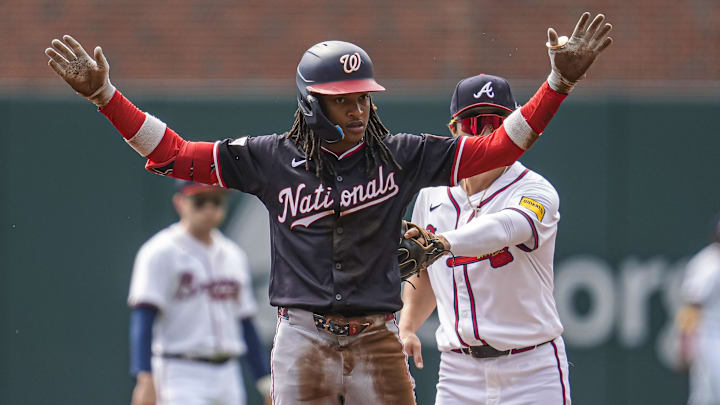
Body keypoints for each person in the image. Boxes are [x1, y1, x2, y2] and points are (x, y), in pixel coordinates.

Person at [45, 12, 612, 404]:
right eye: (345, 100)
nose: (360, 106)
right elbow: (174, 156)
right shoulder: (268, 158)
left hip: (377, 333)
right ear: (312, 104)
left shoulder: (401, 156)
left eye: (364, 95)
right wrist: (106, 99)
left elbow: (498, 147)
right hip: (302, 335)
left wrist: (556, 83)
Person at [399, 73, 570, 404]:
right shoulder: (431, 196)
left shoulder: (535, 190)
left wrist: (442, 243)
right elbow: (424, 273)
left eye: (500, 122)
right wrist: (406, 326)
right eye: (476, 124)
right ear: (454, 131)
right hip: (458, 373)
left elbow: (504, 229)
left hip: (531, 369)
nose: (490, 134)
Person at [128, 180, 271, 405]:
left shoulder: (234, 255)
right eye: (200, 201)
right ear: (180, 202)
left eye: (216, 201)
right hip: (180, 371)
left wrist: (265, 381)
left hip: (228, 374)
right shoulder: (159, 252)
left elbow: (246, 325)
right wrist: (145, 377)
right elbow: (143, 319)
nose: (209, 210)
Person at [676, 217, 720, 405]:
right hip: (710, 336)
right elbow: (691, 305)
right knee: (706, 395)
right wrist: (686, 341)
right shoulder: (707, 263)